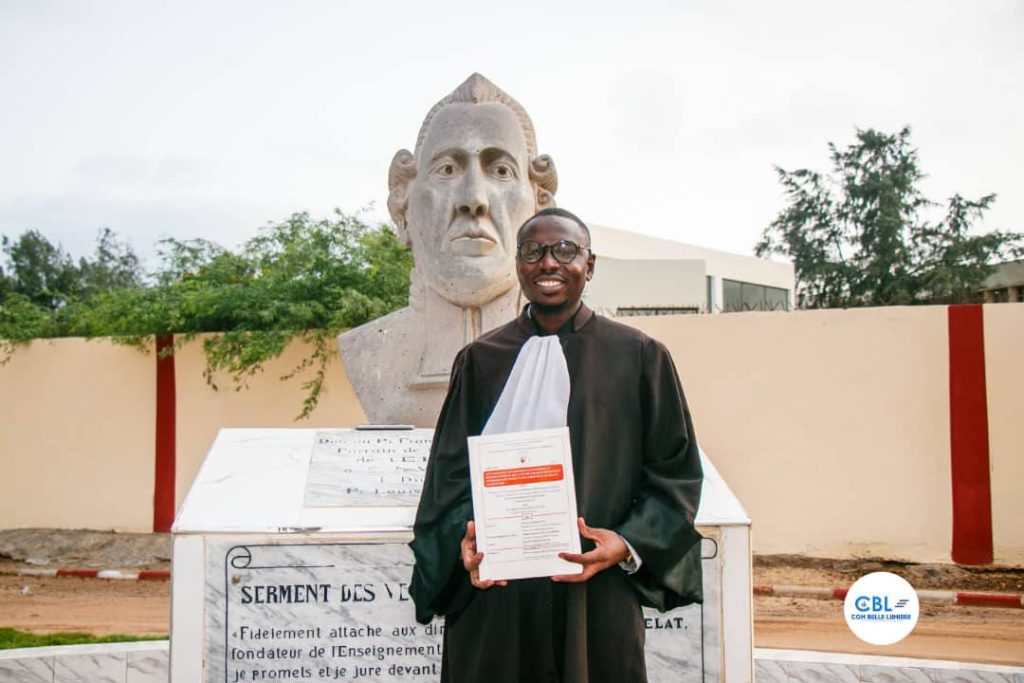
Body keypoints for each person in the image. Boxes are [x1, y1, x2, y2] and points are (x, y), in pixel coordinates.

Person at [411, 208, 704, 682]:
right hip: (496, 594)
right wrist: (460, 543)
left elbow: (675, 473)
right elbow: (447, 480)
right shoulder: (480, 361)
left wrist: (625, 543)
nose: (549, 262)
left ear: (589, 265)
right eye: (533, 251)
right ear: (519, 265)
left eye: (566, 250)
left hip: (596, 592)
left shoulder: (640, 357)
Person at [337, 73, 558, 426]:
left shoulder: (584, 353)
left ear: (538, 206)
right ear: (403, 203)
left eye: (501, 170)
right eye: (447, 169)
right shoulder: (368, 352)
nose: (473, 199)